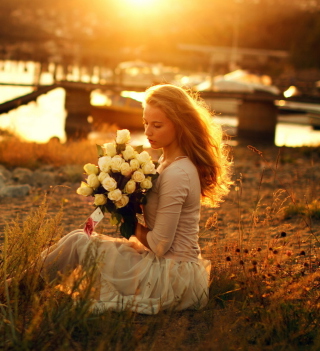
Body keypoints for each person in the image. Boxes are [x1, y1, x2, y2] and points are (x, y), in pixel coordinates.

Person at [12, 84, 232, 314]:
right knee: (80, 237)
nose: (148, 132)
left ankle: (15, 290)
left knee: (80, 242)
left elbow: (159, 245)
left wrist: (127, 218)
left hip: (170, 277)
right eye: (146, 123)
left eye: (157, 125)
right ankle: (17, 287)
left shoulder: (179, 172)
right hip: (166, 265)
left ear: (181, 125)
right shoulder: (167, 164)